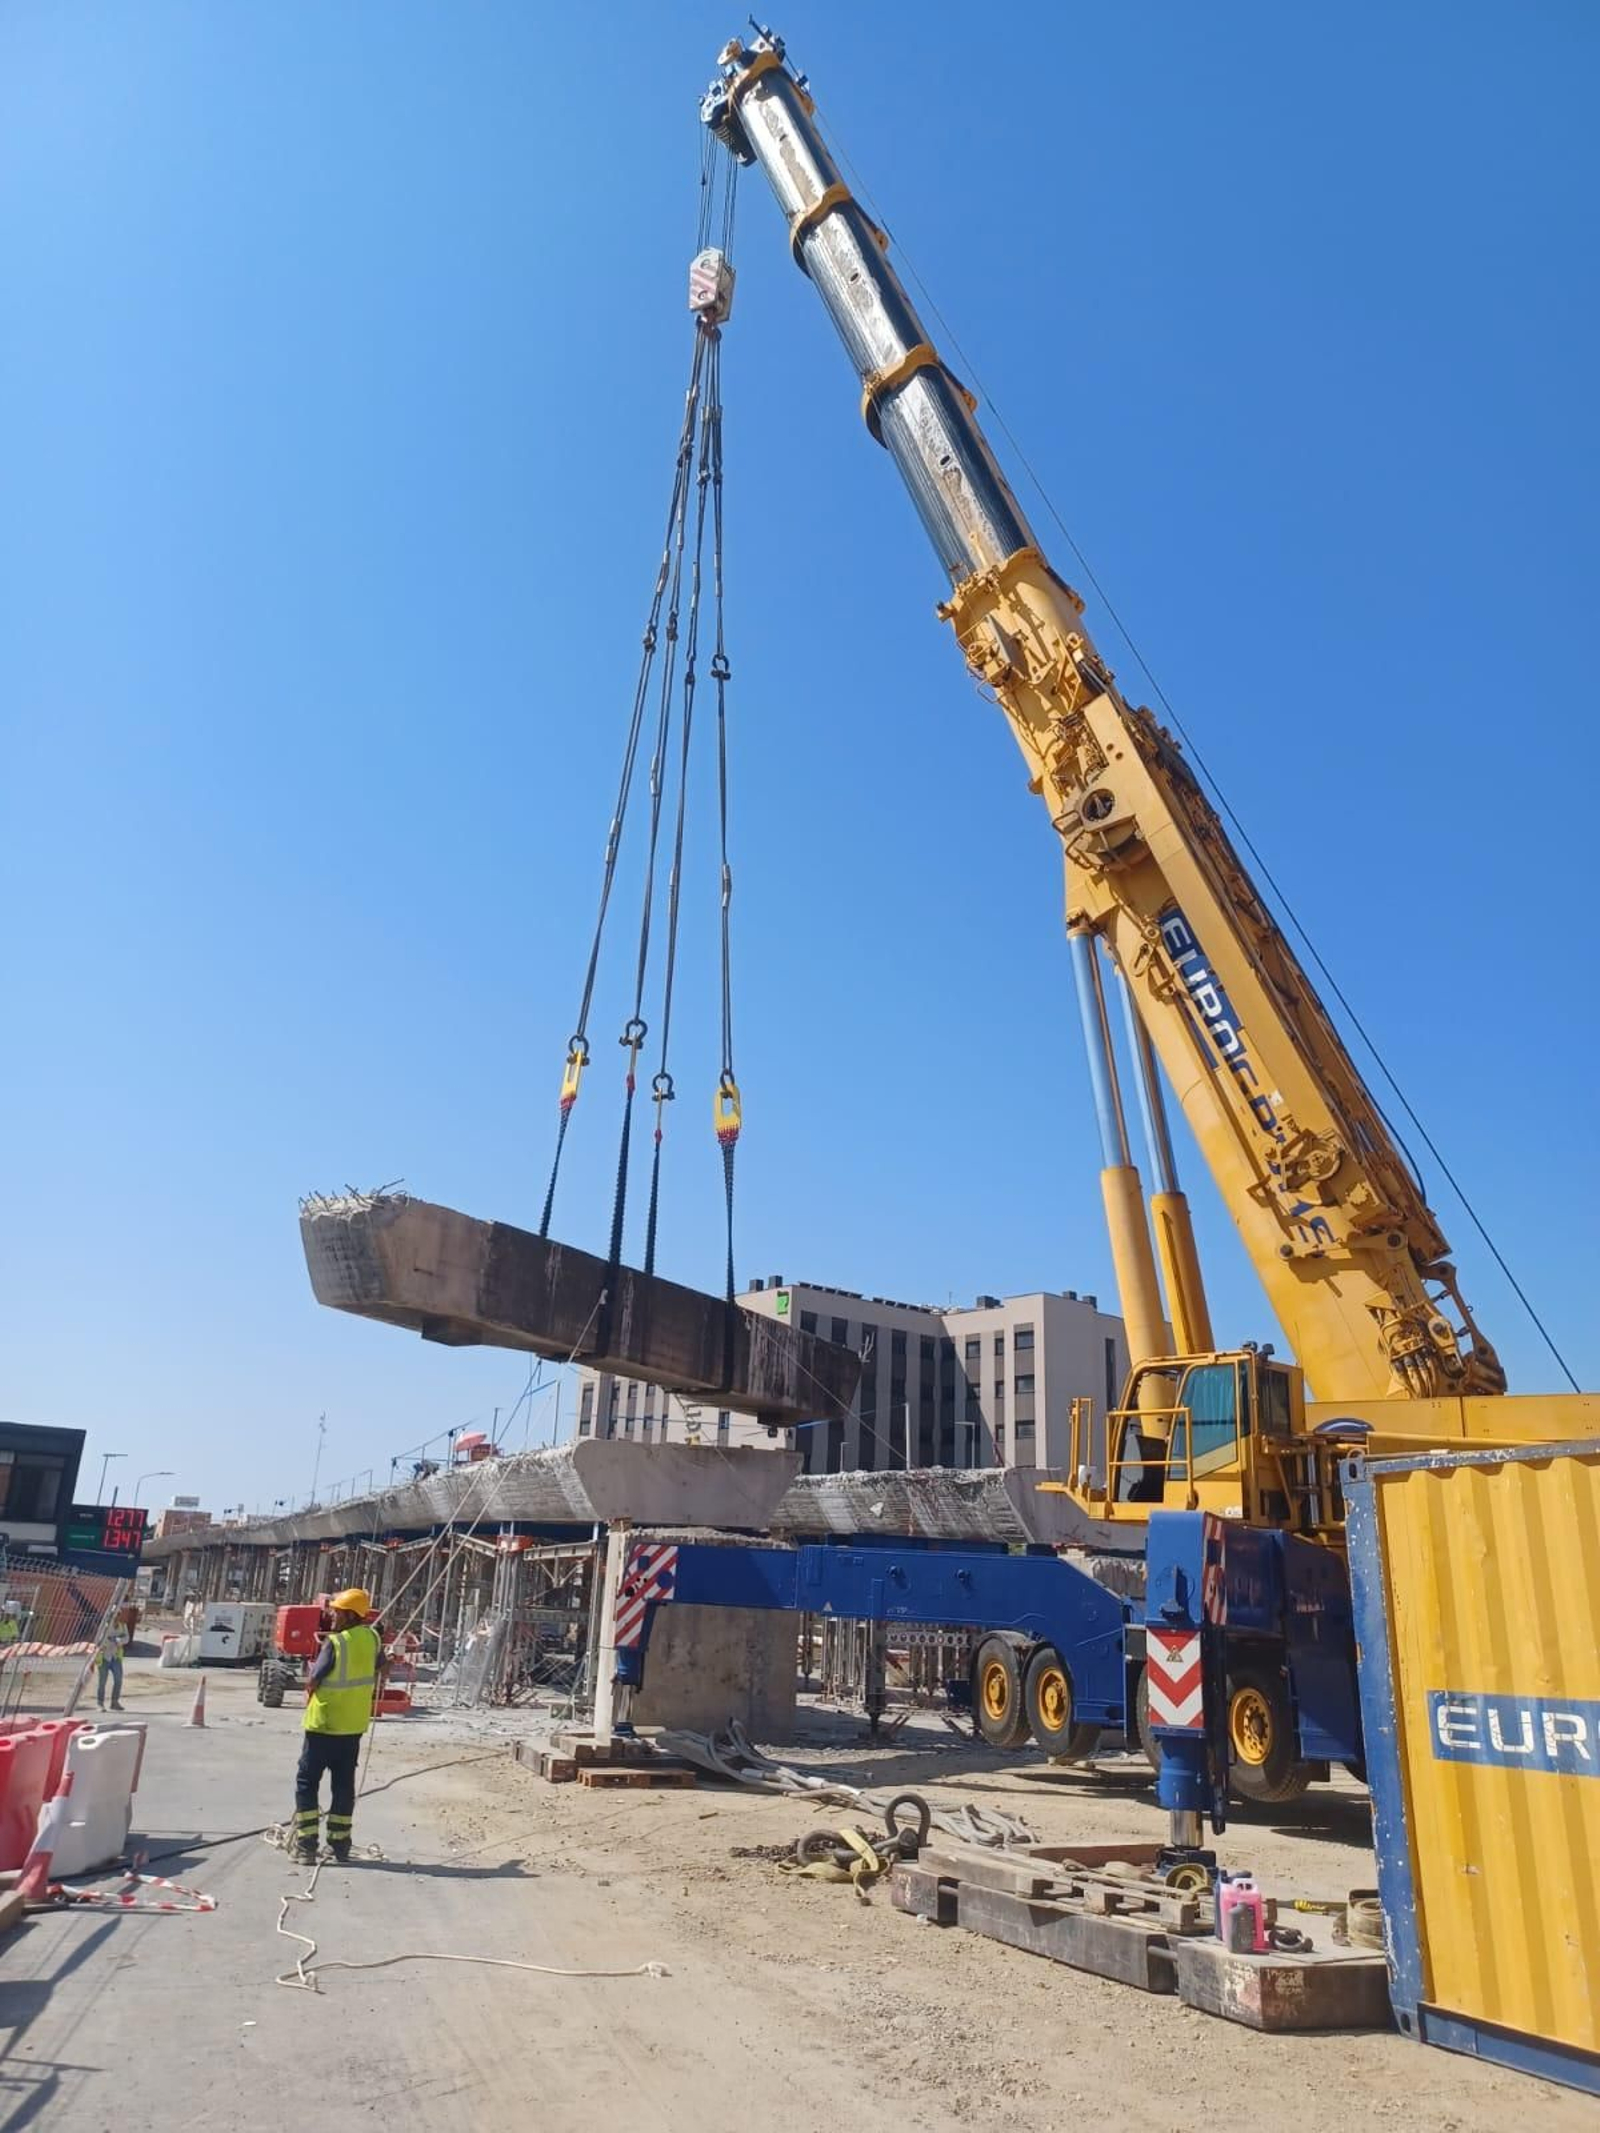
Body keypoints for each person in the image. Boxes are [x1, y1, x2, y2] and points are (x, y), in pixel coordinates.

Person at [290, 1588, 385, 1865]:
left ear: (348, 1615)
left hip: (324, 1725)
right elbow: (382, 1666)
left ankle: (307, 1846)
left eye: (336, 1611)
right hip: (352, 1727)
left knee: (307, 1783)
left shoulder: (336, 1643)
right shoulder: (373, 1638)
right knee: (343, 1786)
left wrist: (311, 1691)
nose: (332, 1615)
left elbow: (314, 1678)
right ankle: (339, 1846)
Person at [95, 1614, 130, 1710]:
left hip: (116, 1657)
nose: (117, 1616)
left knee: (118, 1680)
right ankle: (100, 1703)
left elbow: (126, 1639)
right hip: (104, 1656)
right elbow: (100, 1639)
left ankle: (114, 1702)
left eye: (119, 1614)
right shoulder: (105, 1626)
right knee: (102, 1681)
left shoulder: (122, 1625)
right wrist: (114, 1640)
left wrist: (118, 1640)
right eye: (115, 1614)